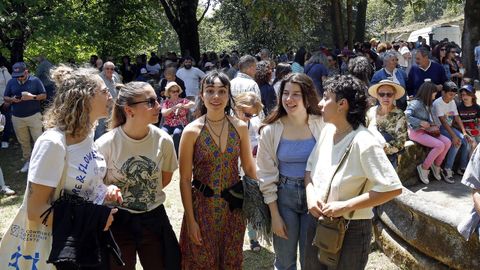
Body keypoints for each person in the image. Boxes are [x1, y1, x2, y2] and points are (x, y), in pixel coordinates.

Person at [25, 65, 120, 269]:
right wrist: (94, 218)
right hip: (62, 251)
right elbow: (35, 210)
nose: (111, 95)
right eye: (104, 91)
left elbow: (83, 183)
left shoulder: (88, 134)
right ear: (84, 98)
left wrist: (103, 191)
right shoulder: (53, 143)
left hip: (88, 242)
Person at [304, 75, 403, 270]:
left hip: (351, 230)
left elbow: (392, 188)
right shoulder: (327, 131)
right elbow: (309, 170)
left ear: (342, 104)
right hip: (318, 222)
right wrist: (310, 196)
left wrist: (344, 206)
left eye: (326, 97)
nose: (320, 103)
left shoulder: (364, 142)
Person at [95, 81, 180, 270]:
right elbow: (95, 187)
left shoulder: (164, 141)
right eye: (150, 102)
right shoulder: (105, 145)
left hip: (154, 218)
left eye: (157, 100)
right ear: (129, 110)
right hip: (117, 220)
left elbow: (163, 181)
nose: (158, 106)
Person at [178, 71, 257, 269]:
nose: (216, 97)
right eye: (210, 91)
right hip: (202, 209)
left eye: (222, 91)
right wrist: (190, 219)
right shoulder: (191, 131)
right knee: (203, 262)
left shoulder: (240, 127)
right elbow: (185, 179)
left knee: (231, 261)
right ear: (202, 95)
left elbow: (248, 167)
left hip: (233, 209)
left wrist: (259, 204)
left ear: (228, 95)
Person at [257, 73, 324, 269]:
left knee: (310, 260)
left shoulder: (322, 124)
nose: (289, 99)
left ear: (307, 96)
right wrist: (275, 216)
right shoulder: (270, 130)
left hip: (316, 196)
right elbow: (265, 174)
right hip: (283, 197)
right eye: (285, 93)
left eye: (296, 94)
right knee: (285, 261)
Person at [233, 92, 264, 251]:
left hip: (252, 172)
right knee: (235, 209)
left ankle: (253, 239)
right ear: (237, 108)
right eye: (246, 114)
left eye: (253, 114)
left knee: (252, 205)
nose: (250, 117)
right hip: (232, 174)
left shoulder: (256, 123)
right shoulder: (228, 123)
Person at [405, 82, 452, 184]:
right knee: (439, 145)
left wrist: (432, 126)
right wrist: (420, 122)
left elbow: (428, 119)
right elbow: (406, 116)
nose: (435, 96)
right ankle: (424, 167)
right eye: (434, 94)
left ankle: (436, 165)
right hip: (416, 131)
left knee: (447, 142)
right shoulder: (415, 103)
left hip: (426, 131)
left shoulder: (428, 103)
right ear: (428, 93)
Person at [3, 62, 46, 172]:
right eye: (17, 76)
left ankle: (41, 163)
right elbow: (5, 97)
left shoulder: (35, 80)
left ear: (26, 71)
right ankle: (28, 161)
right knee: (24, 142)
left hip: (34, 116)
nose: (19, 78)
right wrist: (12, 100)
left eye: (21, 75)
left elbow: (44, 95)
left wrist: (33, 97)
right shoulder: (11, 82)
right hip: (17, 117)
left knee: (39, 141)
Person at [432, 81, 472, 180]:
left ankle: (462, 167)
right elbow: (443, 122)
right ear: (443, 92)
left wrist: (464, 132)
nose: (452, 97)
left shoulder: (452, 101)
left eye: (454, 95)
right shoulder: (438, 103)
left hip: (449, 127)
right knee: (457, 142)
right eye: (450, 94)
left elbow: (457, 117)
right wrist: (454, 136)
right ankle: (447, 169)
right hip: (440, 128)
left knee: (465, 140)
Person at [366, 80, 408, 169]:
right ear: (377, 96)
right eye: (382, 94)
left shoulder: (399, 115)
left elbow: (400, 143)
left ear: (394, 96)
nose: (385, 97)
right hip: (369, 157)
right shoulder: (371, 112)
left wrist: (382, 147)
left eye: (389, 94)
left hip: (388, 160)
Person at [161, 81, 195, 154]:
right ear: (169, 93)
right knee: (162, 133)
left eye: (177, 91)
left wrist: (183, 106)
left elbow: (192, 104)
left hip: (180, 123)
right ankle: (164, 154)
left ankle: (176, 156)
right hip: (168, 124)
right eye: (173, 91)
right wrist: (174, 107)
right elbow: (163, 113)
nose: (176, 93)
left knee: (176, 134)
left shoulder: (182, 100)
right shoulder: (166, 102)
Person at [0, 58, 12, 148]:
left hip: (4, 102)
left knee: (6, 121)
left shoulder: (4, 72)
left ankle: (5, 140)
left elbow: (11, 86)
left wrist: (8, 100)